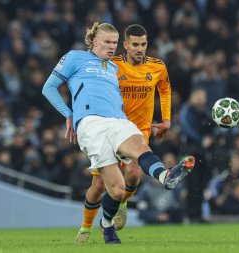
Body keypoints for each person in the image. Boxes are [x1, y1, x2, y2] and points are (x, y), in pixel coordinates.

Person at [42, 22, 195, 244]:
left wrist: (164, 119)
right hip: (91, 124)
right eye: (107, 42)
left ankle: (166, 176)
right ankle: (97, 226)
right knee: (113, 189)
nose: (112, 47)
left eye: (114, 43)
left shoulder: (113, 67)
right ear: (95, 41)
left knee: (141, 147)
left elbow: (157, 87)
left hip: (119, 121)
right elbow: (48, 87)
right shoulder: (75, 57)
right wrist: (69, 114)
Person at [74, 24, 180, 244]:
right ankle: (85, 227)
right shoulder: (111, 65)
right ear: (125, 45)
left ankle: (119, 207)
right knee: (98, 186)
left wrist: (167, 119)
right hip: (108, 128)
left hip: (136, 131)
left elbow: (165, 90)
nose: (140, 49)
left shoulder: (158, 67)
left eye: (143, 44)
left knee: (133, 174)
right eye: (135, 44)